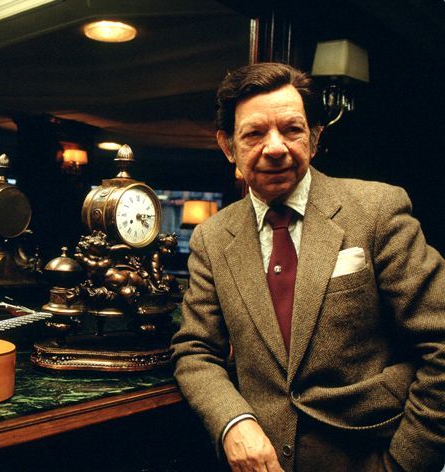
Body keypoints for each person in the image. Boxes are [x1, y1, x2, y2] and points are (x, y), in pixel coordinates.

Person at [171, 62, 445, 472]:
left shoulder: (376, 211)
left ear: (314, 138)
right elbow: (195, 350)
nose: (275, 147)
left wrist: (405, 463)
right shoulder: (211, 238)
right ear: (228, 147)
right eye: (254, 133)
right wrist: (232, 423)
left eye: (292, 129)